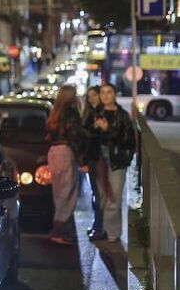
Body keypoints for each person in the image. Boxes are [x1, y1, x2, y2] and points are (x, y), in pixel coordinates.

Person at [90, 83, 136, 243]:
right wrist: (94, 128)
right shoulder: (95, 113)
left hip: (117, 159)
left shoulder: (122, 115)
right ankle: (102, 228)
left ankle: (113, 232)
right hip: (98, 159)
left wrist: (107, 129)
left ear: (115, 95)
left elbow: (128, 140)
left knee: (114, 196)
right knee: (102, 195)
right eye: (102, 92)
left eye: (109, 92)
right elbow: (86, 134)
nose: (105, 95)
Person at [45, 84, 85, 245]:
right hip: (65, 152)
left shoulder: (55, 113)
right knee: (67, 192)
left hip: (54, 152)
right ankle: (60, 230)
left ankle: (60, 228)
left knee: (59, 192)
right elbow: (74, 137)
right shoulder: (71, 113)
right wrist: (82, 161)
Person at [81, 86, 104, 239]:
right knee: (96, 193)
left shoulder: (102, 112)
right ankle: (98, 224)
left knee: (100, 194)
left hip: (100, 157)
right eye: (89, 96)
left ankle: (101, 227)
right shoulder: (89, 113)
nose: (91, 99)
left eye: (94, 95)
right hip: (91, 157)